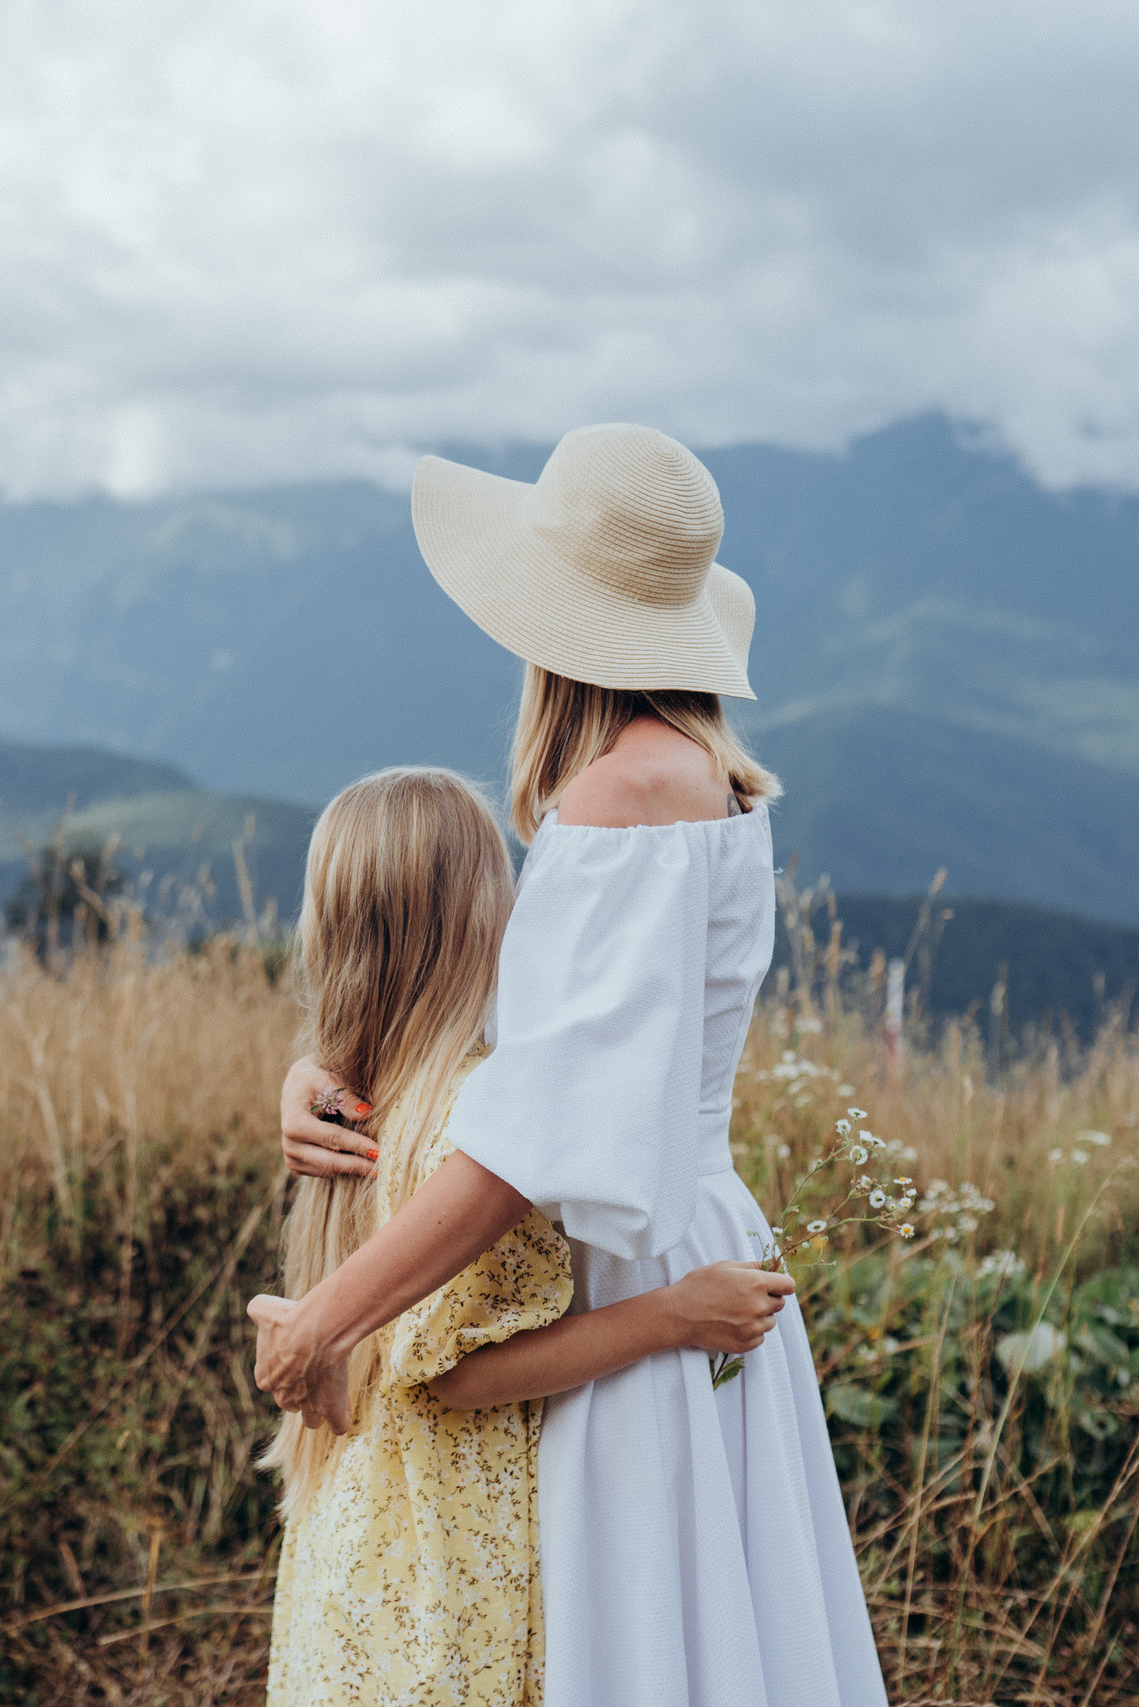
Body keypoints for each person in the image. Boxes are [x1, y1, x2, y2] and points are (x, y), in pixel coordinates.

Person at [253, 425, 888, 1706]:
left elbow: (523, 1142)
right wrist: (329, 1059)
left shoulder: (618, 798)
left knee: (632, 1641)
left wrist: (327, 1318)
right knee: (715, 1635)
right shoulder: (706, 777)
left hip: (626, 1269)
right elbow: (557, 1036)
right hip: (689, 1225)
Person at [255, 765, 800, 1707]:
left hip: (356, 1550)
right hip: (449, 1564)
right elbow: (457, 1369)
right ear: (484, 914)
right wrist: (673, 1314)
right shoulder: (481, 1118)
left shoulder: (365, 1094)